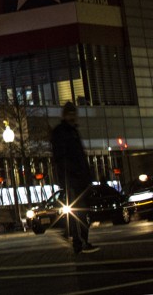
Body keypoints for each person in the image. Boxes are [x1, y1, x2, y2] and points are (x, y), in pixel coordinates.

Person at [51, 101, 97, 253]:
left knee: (82, 211)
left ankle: (80, 241)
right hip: (72, 179)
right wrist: (74, 174)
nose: (73, 116)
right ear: (65, 115)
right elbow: (62, 158)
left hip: (78, 178)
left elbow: (79, 157)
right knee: (79, 212)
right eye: (70, 114)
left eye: (73, 114)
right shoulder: (63, 132)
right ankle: (80, 242)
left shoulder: (72, 131)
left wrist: (87, 176)